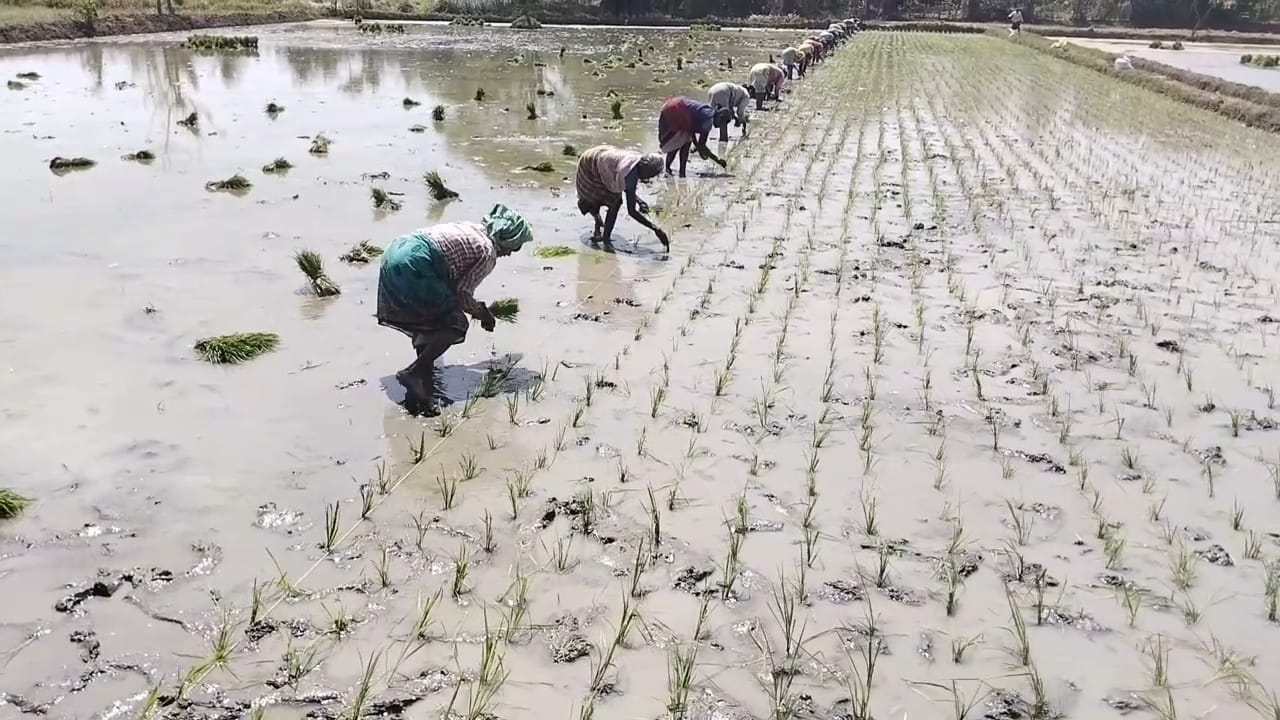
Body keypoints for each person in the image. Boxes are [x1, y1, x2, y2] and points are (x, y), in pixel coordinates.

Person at [377, 205, 532, 416]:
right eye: (515, 246)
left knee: (431, 317)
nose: (511, 253)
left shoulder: (471, 228)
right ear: (508, 238)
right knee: (455, 323)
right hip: (417, 263)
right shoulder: (487, 252)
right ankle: (414, 373)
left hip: (395, 252)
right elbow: (462, 295)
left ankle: (423, 380)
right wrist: (482, 313)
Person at [574, 145, 669, 249]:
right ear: (646, 170)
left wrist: (639, 201)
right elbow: (631, 211)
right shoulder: (631, 173)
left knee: (614, 199)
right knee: (600, 201)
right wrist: (656, 229)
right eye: (650, 175)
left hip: (605, 160)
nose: (649, 179)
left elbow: (623, 183)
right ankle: (603, 232)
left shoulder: (637, 164)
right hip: (590, 164)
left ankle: (605, 235)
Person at [657, 96, 730, 177]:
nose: (720, 127)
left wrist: (699, 148)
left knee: (686, 140)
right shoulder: (708, 122)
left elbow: (693, 134)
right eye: (723, 123)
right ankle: (670, 170)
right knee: (677, 142)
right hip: (675, 110)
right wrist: (717, 160)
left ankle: (677, 171)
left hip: (672, 105)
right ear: (720, 117)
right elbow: (702, 146)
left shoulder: (709, 111)